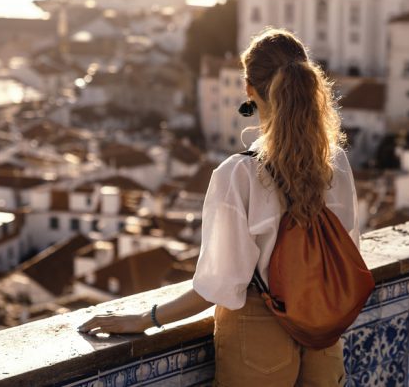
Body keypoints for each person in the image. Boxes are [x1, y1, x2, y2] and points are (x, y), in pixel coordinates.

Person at [78, 28, 360, 386]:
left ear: (249, 89)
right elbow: (348, 247)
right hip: (323, 332)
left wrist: (145, 319)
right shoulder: (335, 162)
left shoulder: (238, 174)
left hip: (260, 337)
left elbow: (220, 285)